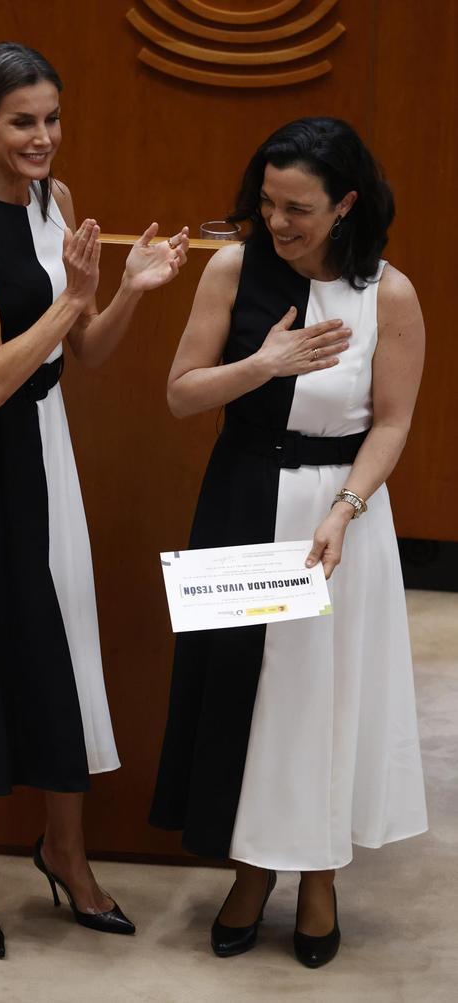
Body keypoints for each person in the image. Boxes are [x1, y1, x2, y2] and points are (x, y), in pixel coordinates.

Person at [0, 41, 188, 959]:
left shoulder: (53, 203)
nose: (44, 138)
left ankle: (65, 847)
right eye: (24, 121)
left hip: (46, 445)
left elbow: (82, 357)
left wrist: (127, 293)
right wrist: (75, 301)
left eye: (53, 119)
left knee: (62, 638)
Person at [150, 117, 427, 969]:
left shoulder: (391, 293)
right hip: (242, 498)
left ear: (345, 204)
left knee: (321, 699)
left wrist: (346, 506)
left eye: (298, 207)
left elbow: (393, 420)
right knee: (247, 695)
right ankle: (249, 868)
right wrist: (261, 367)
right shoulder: (234, 268)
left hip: (337, 516)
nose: (277, 222)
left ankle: (318, 878)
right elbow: (181, 395)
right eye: (267, 203)